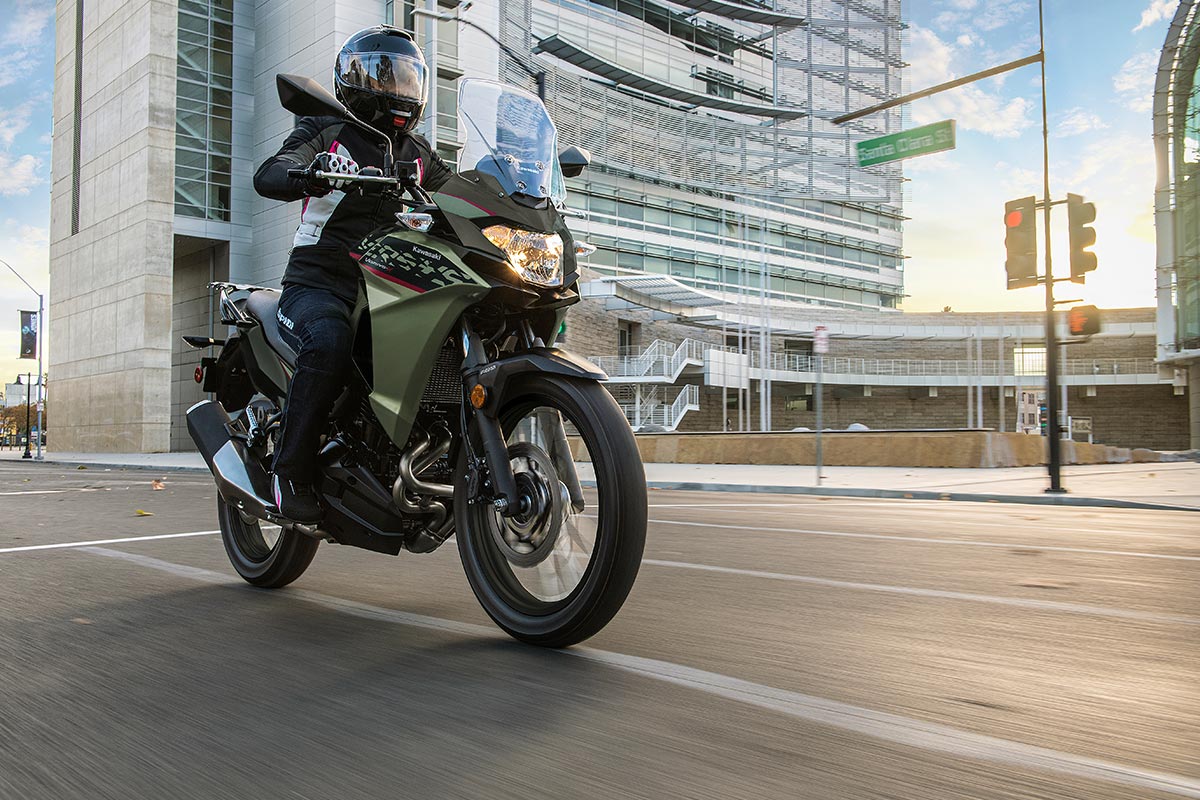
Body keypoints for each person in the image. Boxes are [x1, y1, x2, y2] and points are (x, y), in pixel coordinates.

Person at [253, 26, 453, 522]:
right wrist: (309, 171)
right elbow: (271, 171)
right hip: (319, 283)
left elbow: (461, 196)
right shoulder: (325, 127)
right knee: (329, 340)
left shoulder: (418, 154)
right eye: (388, 77)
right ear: (356, 79)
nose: (399, 90)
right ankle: (288, 472)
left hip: (387, 288)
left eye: (409, 78)